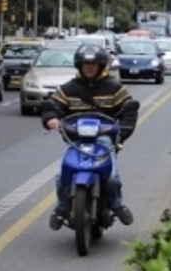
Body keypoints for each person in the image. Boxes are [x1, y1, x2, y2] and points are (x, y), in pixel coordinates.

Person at [41, 43, 138, 230]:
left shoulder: (114, 88)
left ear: (101, 66)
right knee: (62, 176)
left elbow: (129, 110)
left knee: (112, 178)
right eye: (86, 64)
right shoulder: (68, 89)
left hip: (104, 140)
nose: (90, 67)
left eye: (94, 64)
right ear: (80, 65)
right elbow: (52, 107)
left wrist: (122, 131)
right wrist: (52, 119)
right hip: (75, 141)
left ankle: (117, 205)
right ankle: (61, 208)